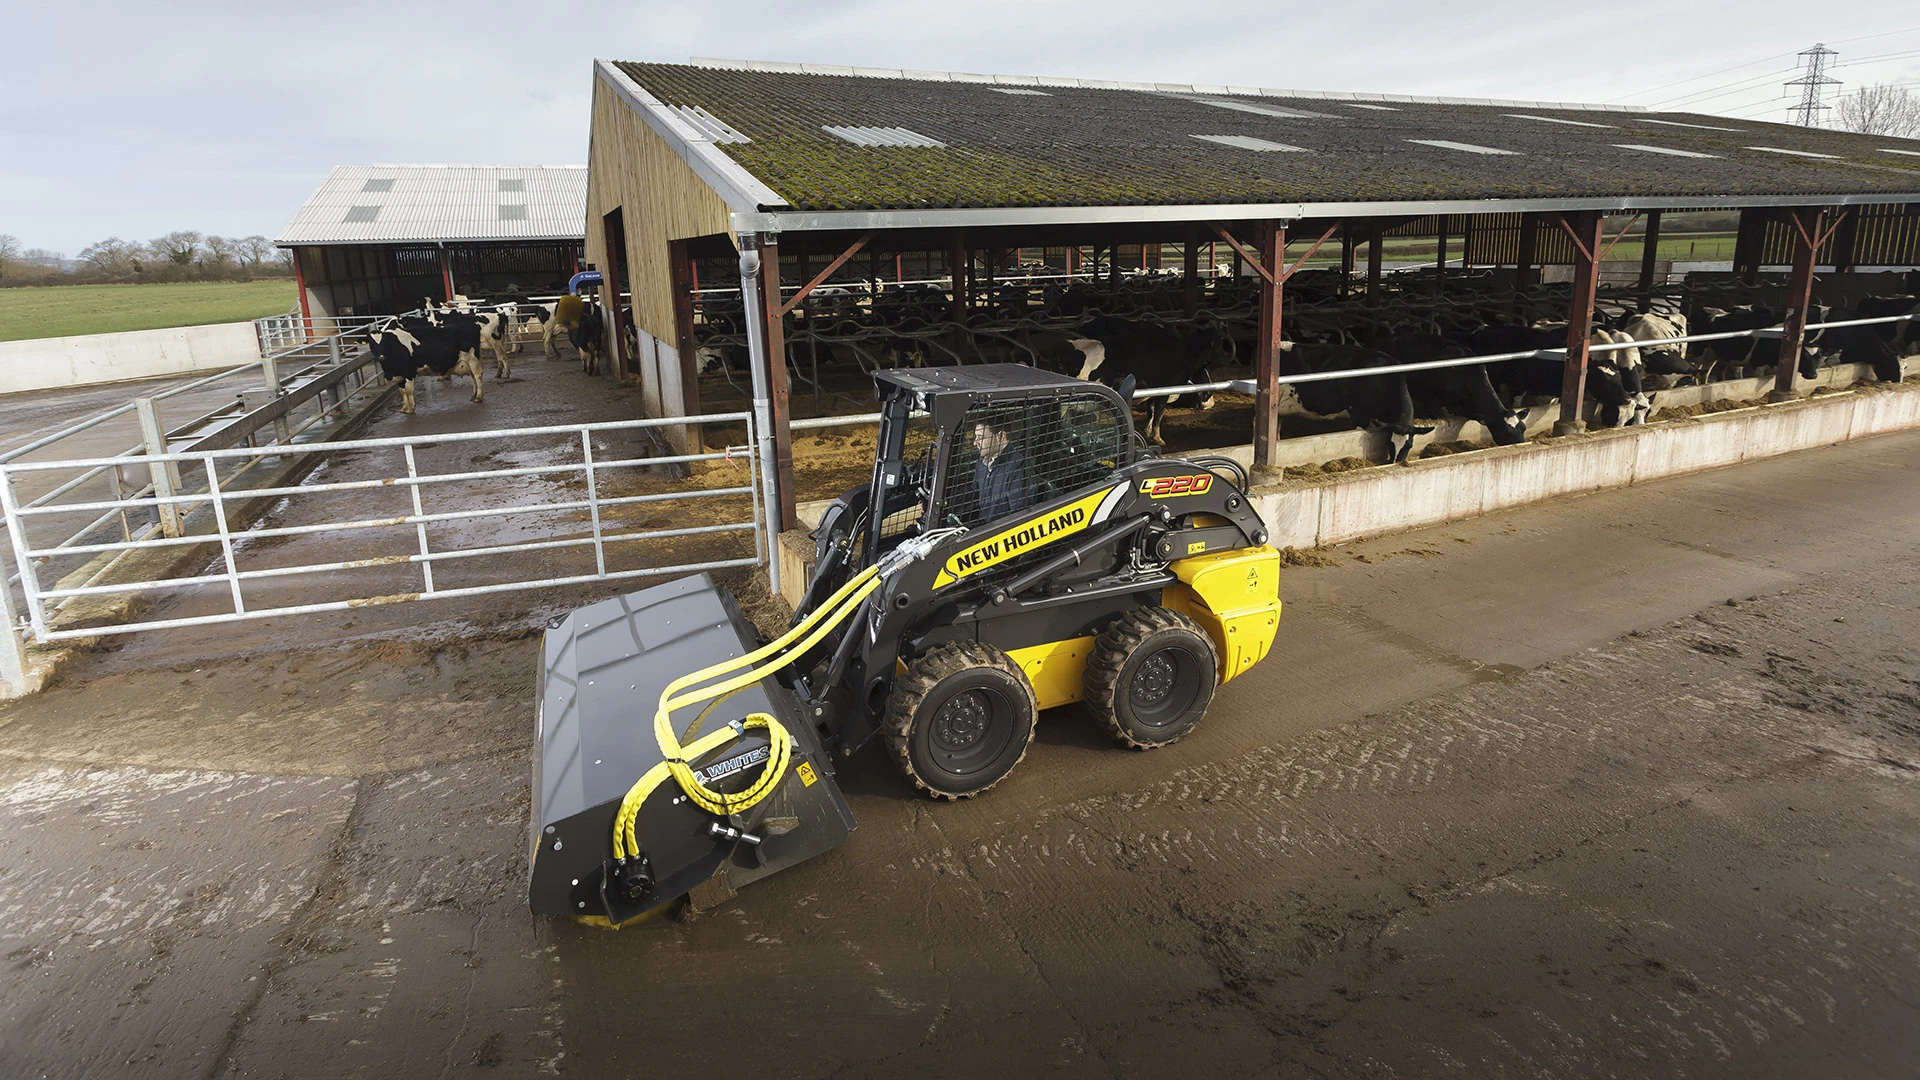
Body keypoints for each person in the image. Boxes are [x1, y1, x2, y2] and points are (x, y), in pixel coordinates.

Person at [971, 412, 1032, 523]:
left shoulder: (1017, 465)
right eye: (976, 437)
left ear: (1001, 436)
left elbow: (1019, 515)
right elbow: (973, 495)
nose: (975, 443)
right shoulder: (982, 464)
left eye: (980, 437)